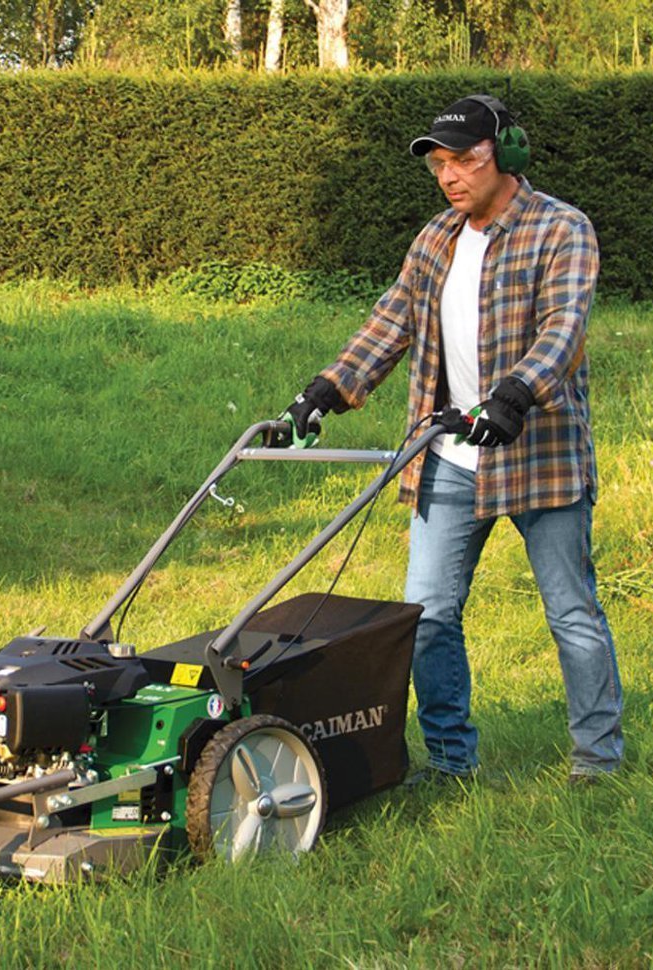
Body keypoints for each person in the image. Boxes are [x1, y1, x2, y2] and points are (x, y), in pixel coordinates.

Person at [270, 94, 623, 785]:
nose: (451, 175)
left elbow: (564, 329)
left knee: (571, 612)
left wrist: (514, 395)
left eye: (465, 159)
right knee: (427, 616)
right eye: (440, 164)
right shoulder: (436, 239)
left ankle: (597, 762)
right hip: (449, 456)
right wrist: (320, 395)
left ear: (507, 156)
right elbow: (388, 327)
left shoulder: (562, 230)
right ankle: (451, 762)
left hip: (536, 453)